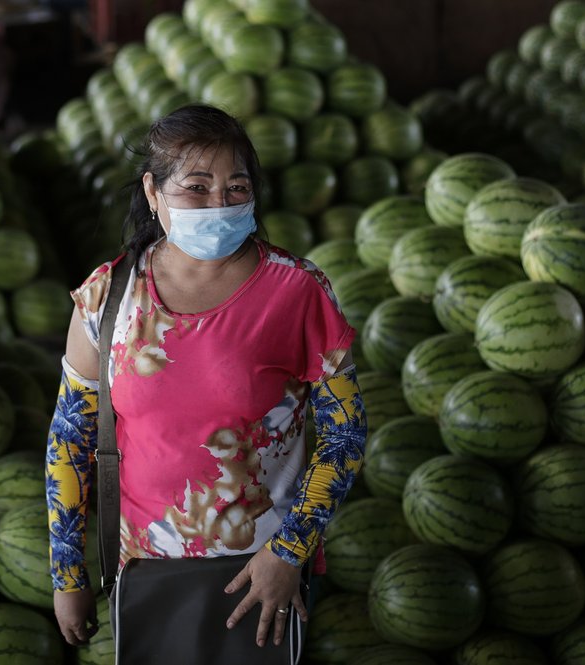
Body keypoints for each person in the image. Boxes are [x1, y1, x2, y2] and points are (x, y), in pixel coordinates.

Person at [45, 104, 367, 654]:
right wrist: (67, 574)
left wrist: (290, 552)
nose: (219, 202)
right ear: (153, 193)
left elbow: (346, 434)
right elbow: (69, 440)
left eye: (236, 187)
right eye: (197, 186)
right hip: (143, 572)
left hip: (260, 575)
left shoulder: (298, 291)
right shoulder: (106, 297)